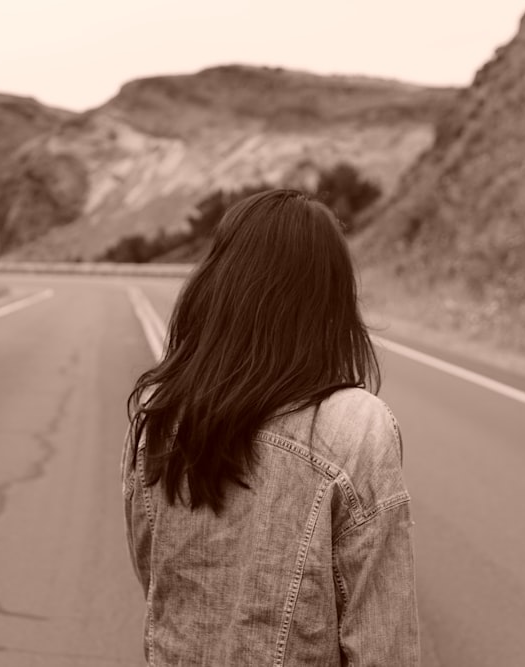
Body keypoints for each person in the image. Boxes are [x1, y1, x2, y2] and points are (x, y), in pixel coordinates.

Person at [122, 189, 420, 665]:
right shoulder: (354, 426)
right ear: (331, 302)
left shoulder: (161, 412)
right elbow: (384, 644)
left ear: (218, 287)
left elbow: (156, 580)